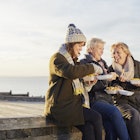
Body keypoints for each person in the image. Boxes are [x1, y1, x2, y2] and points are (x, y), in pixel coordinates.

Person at [44, 24, 104, 140]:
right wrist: (92, 67)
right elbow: (71, 72)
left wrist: (88, 84)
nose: (81, 49)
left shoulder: (72, 61)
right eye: (80, 46)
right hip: (60, 107)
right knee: (96, 117)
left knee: (89, 129)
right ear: (71, 44)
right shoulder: (57, 59)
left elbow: (77, 81)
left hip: (72, 105)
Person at [80, 38, 130, 140]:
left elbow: (107, 84)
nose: (102, 51)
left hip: (106, 99)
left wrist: (115, 84)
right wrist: (104, 79)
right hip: (94, 100)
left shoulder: (103, 63)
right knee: (115, 112)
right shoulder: (84, 63)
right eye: (99, 48)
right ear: (90, 49)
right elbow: (88, 84)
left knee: (110, 128)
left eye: (103, 48)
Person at [109, 42, 140, 140]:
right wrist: (117, 86)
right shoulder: (111, 69)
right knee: (134, 115)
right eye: (114, 53)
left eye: (118, 53)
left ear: (127, 53)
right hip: (121, 101)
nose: (115, 56)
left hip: (137, 98)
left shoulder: (137, 66)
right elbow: (108, 87)